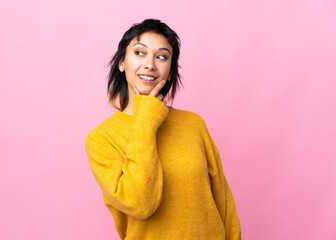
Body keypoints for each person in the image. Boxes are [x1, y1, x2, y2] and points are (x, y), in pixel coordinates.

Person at [84, 19, 242, 240]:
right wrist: (146, 119)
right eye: (140, 53)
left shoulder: (193, 124)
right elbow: (140, 203)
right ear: (121, 63)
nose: (150, 64)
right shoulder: (101, 138)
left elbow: (223, 202)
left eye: (161, 57)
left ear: (169, 72)